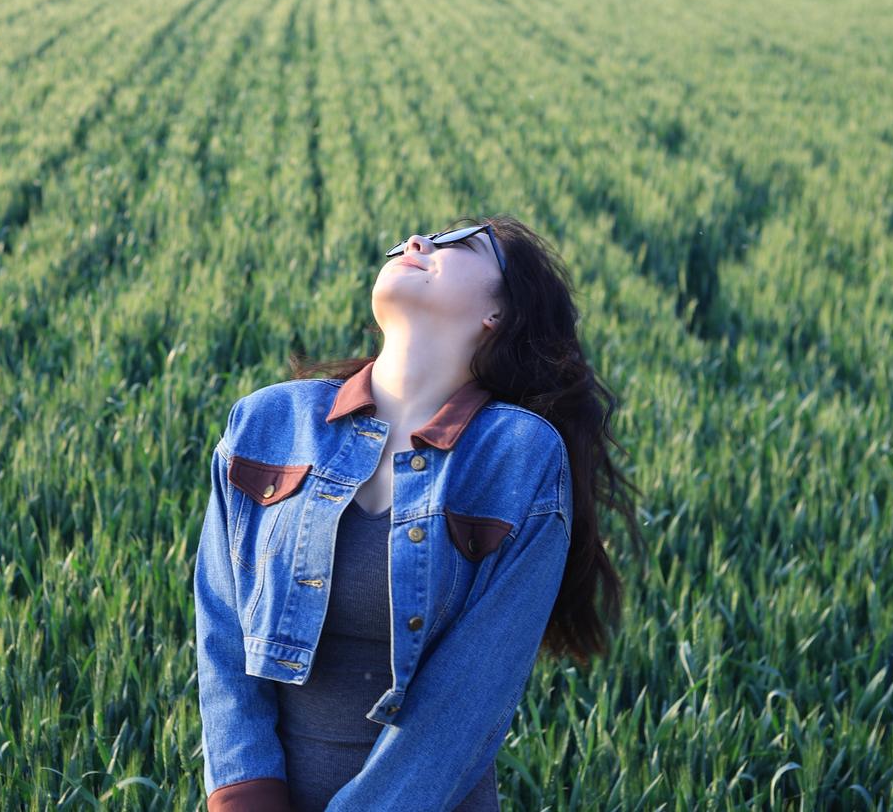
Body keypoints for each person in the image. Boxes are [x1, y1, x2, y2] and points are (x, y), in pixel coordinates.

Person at [194, 214, 644, 811]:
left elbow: (469, 697)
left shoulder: (518, 457)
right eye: (421, 237)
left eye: (462, 245)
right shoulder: (268, 422)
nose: (417, 243)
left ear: (499, 313)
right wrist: (245, 800)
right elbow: (222, 633)